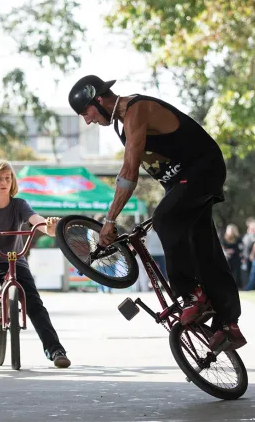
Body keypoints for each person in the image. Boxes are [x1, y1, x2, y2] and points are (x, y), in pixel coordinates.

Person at [68, 74, 245, 350]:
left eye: (86, 112)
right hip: (187, 181)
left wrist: (110, 220)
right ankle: (227, 324)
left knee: (165, 218)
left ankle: (190, 294)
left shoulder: (136, 110)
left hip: (202, 169)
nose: (87, 120)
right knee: (203, 246)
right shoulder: (121, 123)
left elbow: (128, 173)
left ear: (99, 99)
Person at [0, 160, 71, 371]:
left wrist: (50, 226)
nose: (4, 182)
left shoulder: (19, 205)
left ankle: (56, 351)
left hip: (15, 259)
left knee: (35, 304)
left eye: (8, 178)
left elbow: (38, 222)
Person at [222, 224, 244, 289]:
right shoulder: (224, 238)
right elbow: (222, 247)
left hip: (236, 259)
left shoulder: (238, 239)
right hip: (227, 258)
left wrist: (234, 250)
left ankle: (235, 286)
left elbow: (241, 248)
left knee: (236, 273)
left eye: (231, 230)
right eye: (229, 230)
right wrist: (227, 251)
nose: (230, 231)